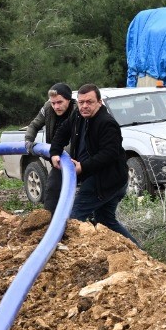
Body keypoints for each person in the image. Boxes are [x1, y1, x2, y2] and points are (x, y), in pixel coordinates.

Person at [50, 84, 137, 241]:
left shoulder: (107, 123)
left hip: (106, 181)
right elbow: (62, 131)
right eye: (81, 102)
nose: (84, 106)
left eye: (89, 102)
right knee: (106, 220)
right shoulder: (78, 116)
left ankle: (68, 251)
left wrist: (82, 167)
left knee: (73, 219)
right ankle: (139, 251)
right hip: (100, 178)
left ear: (99, 102)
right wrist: (55, 152)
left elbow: (109, 154)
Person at [22, 83, 77, 213]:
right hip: (58, 160)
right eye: (53, 103)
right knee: (52, 190)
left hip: (79, 159)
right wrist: (28, 141)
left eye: (60, 102)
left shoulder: (78, 111)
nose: (56, 106)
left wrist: (58, 153)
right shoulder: (47, 108)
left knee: (84, 198)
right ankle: (49, 220)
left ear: (69, 100)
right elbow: (34, 125)